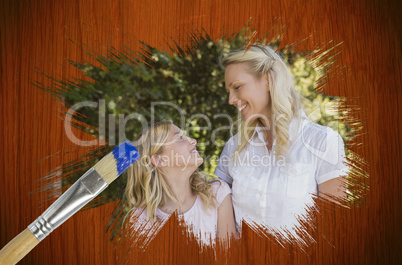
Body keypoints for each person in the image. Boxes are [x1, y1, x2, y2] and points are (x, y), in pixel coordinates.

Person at [214, 44, 348, 237]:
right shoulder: (234, 147)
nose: (231, 99)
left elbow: (335, 228)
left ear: (268, 80)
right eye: (229, 90)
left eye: (237, 87)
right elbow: (214, 212)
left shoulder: (323, 142)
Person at [124, 121, 236, 246]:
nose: (193, 140)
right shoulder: (142, 219)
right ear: (159, 160)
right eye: (180, 138)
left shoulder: (217, 193)